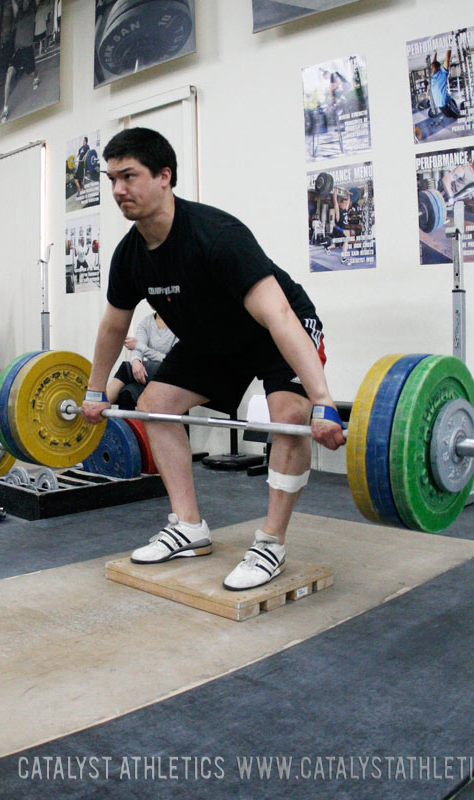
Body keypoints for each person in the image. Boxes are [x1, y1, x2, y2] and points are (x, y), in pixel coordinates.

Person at [82, 128, 344, 591]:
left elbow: (280, 316)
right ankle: (188, 526)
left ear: (165, 176)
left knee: (288, 416)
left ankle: (271, 543)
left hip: (271, 330)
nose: (119, 190)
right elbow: (112, 327)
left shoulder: (216, 235)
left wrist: (321, 399)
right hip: (212, 340)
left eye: (129, 176)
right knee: (155, 403)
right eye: (112, 179)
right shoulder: (129, 255)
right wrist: (94, 390)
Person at [105, 311, 178, 406]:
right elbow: (136, 349)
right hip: (153, 376)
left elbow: (173, 361)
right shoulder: (146, 322)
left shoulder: (180, 322)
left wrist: (139, 347)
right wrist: (135, 361)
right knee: (127, 392)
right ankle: (99, 413)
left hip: (175, 373)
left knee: (126, 369)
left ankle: (98, 406)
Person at [1, 0, 40, 124]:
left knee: (31, 73)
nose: (25, 3)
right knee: (9, 74)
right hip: (17, 51)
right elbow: (14, 4)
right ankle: (5, 108)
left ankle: (36, 77)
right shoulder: (19, 14)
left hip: (27, 50)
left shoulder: (33, 10)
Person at [429, 50, 461, 119]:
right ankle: (457, 113)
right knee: (451, 102)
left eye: (432, 67)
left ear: (438, 67)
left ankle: (458, 115)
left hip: (441, 103)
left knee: (449, 115)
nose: (431, 69)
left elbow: (447, 58)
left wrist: (449, 48)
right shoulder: (433, 74)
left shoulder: (443, 73)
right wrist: (435, 53)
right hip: (444, 97)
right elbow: (434, 63)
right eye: (431, 67)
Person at [327, 190, 354, 265]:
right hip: (337, 230)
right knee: (345, 241)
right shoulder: (339, 212)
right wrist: (335, 191)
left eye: (346, 204)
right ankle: (344, 259)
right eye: (344, 203)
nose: (346, 205)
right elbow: (335, 201)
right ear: (341, 204)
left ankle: (327, 248)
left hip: (340, 231)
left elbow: (348, 201)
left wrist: (348, 194)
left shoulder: (345, 210)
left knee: (337, 245)